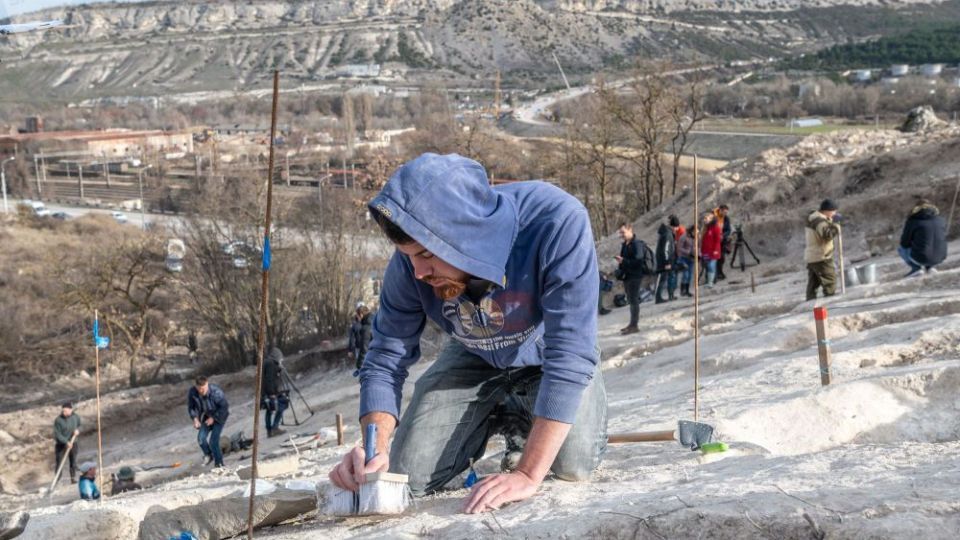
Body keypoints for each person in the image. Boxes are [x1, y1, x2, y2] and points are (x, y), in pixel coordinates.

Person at [327, 153, 606, 515]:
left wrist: (526, 473)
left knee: (573, 465)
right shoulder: (411, 267)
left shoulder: (557, 221)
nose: (419, 272)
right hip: (475, 354)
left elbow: (571, 352)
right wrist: (373, 446)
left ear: (466, 235)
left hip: (546, 353)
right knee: (409, 472)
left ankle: (525, 421)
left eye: (427, 254)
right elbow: (384, 359)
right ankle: (494, 414)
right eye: (409, 256)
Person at [187, 376, 229, 468]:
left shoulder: (216, 392)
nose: (202, 391)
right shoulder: (193, 392)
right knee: (201, 439)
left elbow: (224, 407)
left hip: (219, 417)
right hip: (207, 416)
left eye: (204, 389)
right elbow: (191, 407)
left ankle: (219, 464)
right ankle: (209, 455)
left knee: (213, 442)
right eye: (199, 389)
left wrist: (213, 418)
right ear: (196, 387)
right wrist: (195, 418)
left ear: (207, 384)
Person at [899, 199, 947, 277]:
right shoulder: (940, 220)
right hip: (940, 258)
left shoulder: (913, 221)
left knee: (901, 248)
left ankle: (916, 268)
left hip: (920, 258)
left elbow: (904, 243)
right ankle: (930, 267)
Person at [805, 199, 841, 301]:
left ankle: (810, 305)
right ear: (827, 211)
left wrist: (830, 221)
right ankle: (830, 305)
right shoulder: (819, 221)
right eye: (834, 211)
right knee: (830, 281)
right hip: (821, 257)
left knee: (813, 284)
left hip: (813, 256)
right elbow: (827, 235)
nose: (835, 213)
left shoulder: (815, 218)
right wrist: (836, 224)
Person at [616, 222, 649, 334]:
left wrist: (624, 261)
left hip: (635, 276)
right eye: (620, 232)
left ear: (630, 230)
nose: (621, 234)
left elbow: (638, 261)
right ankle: (631, 324)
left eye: (623, 232)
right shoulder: (625, 244)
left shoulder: (637, 244)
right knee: (630, 300)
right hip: (627, 276)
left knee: (634, 300)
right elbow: (624, 259)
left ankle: (634, 325)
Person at [261, 347, 289, 438]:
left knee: (269, 410)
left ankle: (270, 431)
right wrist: (271, 393)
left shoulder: (267, 362)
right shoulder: (270, 364)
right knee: (281, 405)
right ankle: (275, 428)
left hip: (265, 391)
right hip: (271, 391)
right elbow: (269, 379)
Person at [53, 402, 81, 484]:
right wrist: (66, 442)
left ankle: (73, 479)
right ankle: (57, 481)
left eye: (65, 411)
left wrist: (77, 431)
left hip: (73, 442)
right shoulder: (58, 420)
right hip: (61, 444)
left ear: (70, 410)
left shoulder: (76, 417)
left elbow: (79, 425)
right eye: (63, 411)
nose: (64, 413)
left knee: (73, 461)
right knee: (59, 462)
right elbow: (57, 434)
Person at [654, 220, 676, 304]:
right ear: (673, 226)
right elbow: (666, 249)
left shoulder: (665, 233)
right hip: (664, 261)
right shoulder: (667, 234)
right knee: (662, 279)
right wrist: (667, 262)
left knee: (665, 278)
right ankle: (658, 297)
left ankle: (663, 296)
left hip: (664, 260)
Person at [347, 304, 373, 372]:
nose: (357, 317)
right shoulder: (376, 321)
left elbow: (363, 349)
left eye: (357, 315)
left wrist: (359, 365)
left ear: (361, 314)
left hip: (362, 348)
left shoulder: (364, 327)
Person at [701, 212, 723, 288]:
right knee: (707, 266)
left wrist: (715, 250)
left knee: (711, 266)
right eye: (705, 218)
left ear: (711, 219)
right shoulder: (705, 228)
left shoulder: (716, 228)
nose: (705, 219)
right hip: (706, 252)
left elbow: (717, 240)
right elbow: (703, 241)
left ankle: (711, 282)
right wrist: (702, 251)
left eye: (706, 218)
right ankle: (709, 281)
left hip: (713, 252)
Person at [676, 225, 696, 297]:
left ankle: (687, 291)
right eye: (694, 231)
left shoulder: (695, 237)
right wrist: (688, 252)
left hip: (692, 258)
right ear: (691, 231)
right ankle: (682, 290)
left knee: (690, 275)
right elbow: (679, 248)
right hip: (684, 258)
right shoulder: (683, 237)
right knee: (685, 275)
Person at [714, 205, 732, 281]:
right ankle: (714, 274)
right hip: (714, 241)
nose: (725, 214)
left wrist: (723, 236)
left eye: (726, 212)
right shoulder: (713, 217)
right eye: (724, 212)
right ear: (720, 210)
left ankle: (719, 272)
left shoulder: (726, 218)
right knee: (714, 258)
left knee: (722, 258)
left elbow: (728, 229)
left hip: (722, 241)